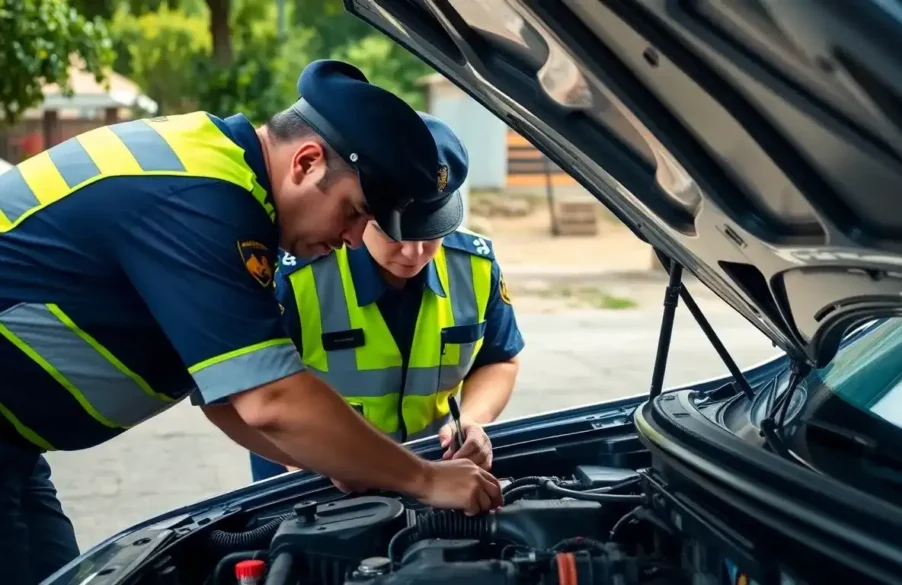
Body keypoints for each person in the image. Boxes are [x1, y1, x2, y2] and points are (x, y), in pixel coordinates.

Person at [0, 59, 502, 585]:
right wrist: (422, 477)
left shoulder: (226, 182)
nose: (354, 238)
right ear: (306, 163)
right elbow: (272, 401)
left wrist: (346, 462)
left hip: (15, 449)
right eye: (354, 211)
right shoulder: (201, 201)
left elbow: (225, 399)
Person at [250, 112, 524, 482]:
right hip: (308, 478)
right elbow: (257, 399)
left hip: (434, 474)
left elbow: (499, 361)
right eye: (392, 233)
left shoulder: (474, 265)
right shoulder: (296, 276)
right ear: (362, 210)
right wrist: (323, 468)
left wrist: (473, 421)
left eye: (432, 234)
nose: (413, 254)